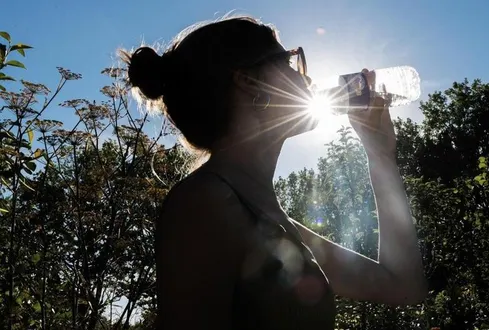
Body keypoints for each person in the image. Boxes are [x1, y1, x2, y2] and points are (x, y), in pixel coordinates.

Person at [122, 14, 427, 330]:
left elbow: (403, 287)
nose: (306, 79)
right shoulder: (205, 204)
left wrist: (380, 155)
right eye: (291, 63)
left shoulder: (266, 217)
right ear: (248, 82)